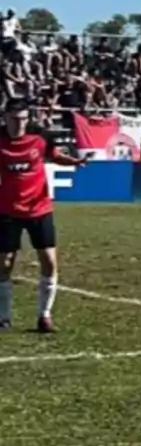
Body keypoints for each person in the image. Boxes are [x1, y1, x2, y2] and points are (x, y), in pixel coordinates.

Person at [0, 98, 88, 333]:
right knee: (5, 264)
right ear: (5, 117)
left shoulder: (40, 136)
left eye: (22, 119)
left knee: (49, 262)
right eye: (13, 119)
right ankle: (4, 317)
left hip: (39, 209)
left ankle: (44, 316)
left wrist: (73, 161)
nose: (18, 124)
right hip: (8, 210)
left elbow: (54, 155)